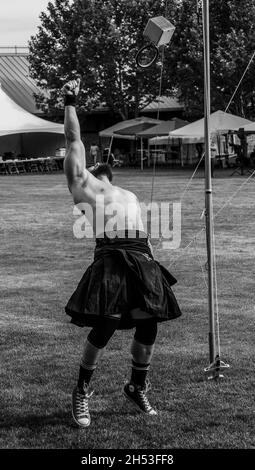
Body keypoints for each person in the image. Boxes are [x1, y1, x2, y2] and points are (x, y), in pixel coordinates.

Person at [62, 79, 182, 428]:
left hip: (141, 255)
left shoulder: (126, 192)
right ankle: (82, 391)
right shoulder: (82, 182)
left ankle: (136, 386)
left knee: (148, 323)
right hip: (113, 254)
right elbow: (72, 139)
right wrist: (71, 100)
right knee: (107, 322)